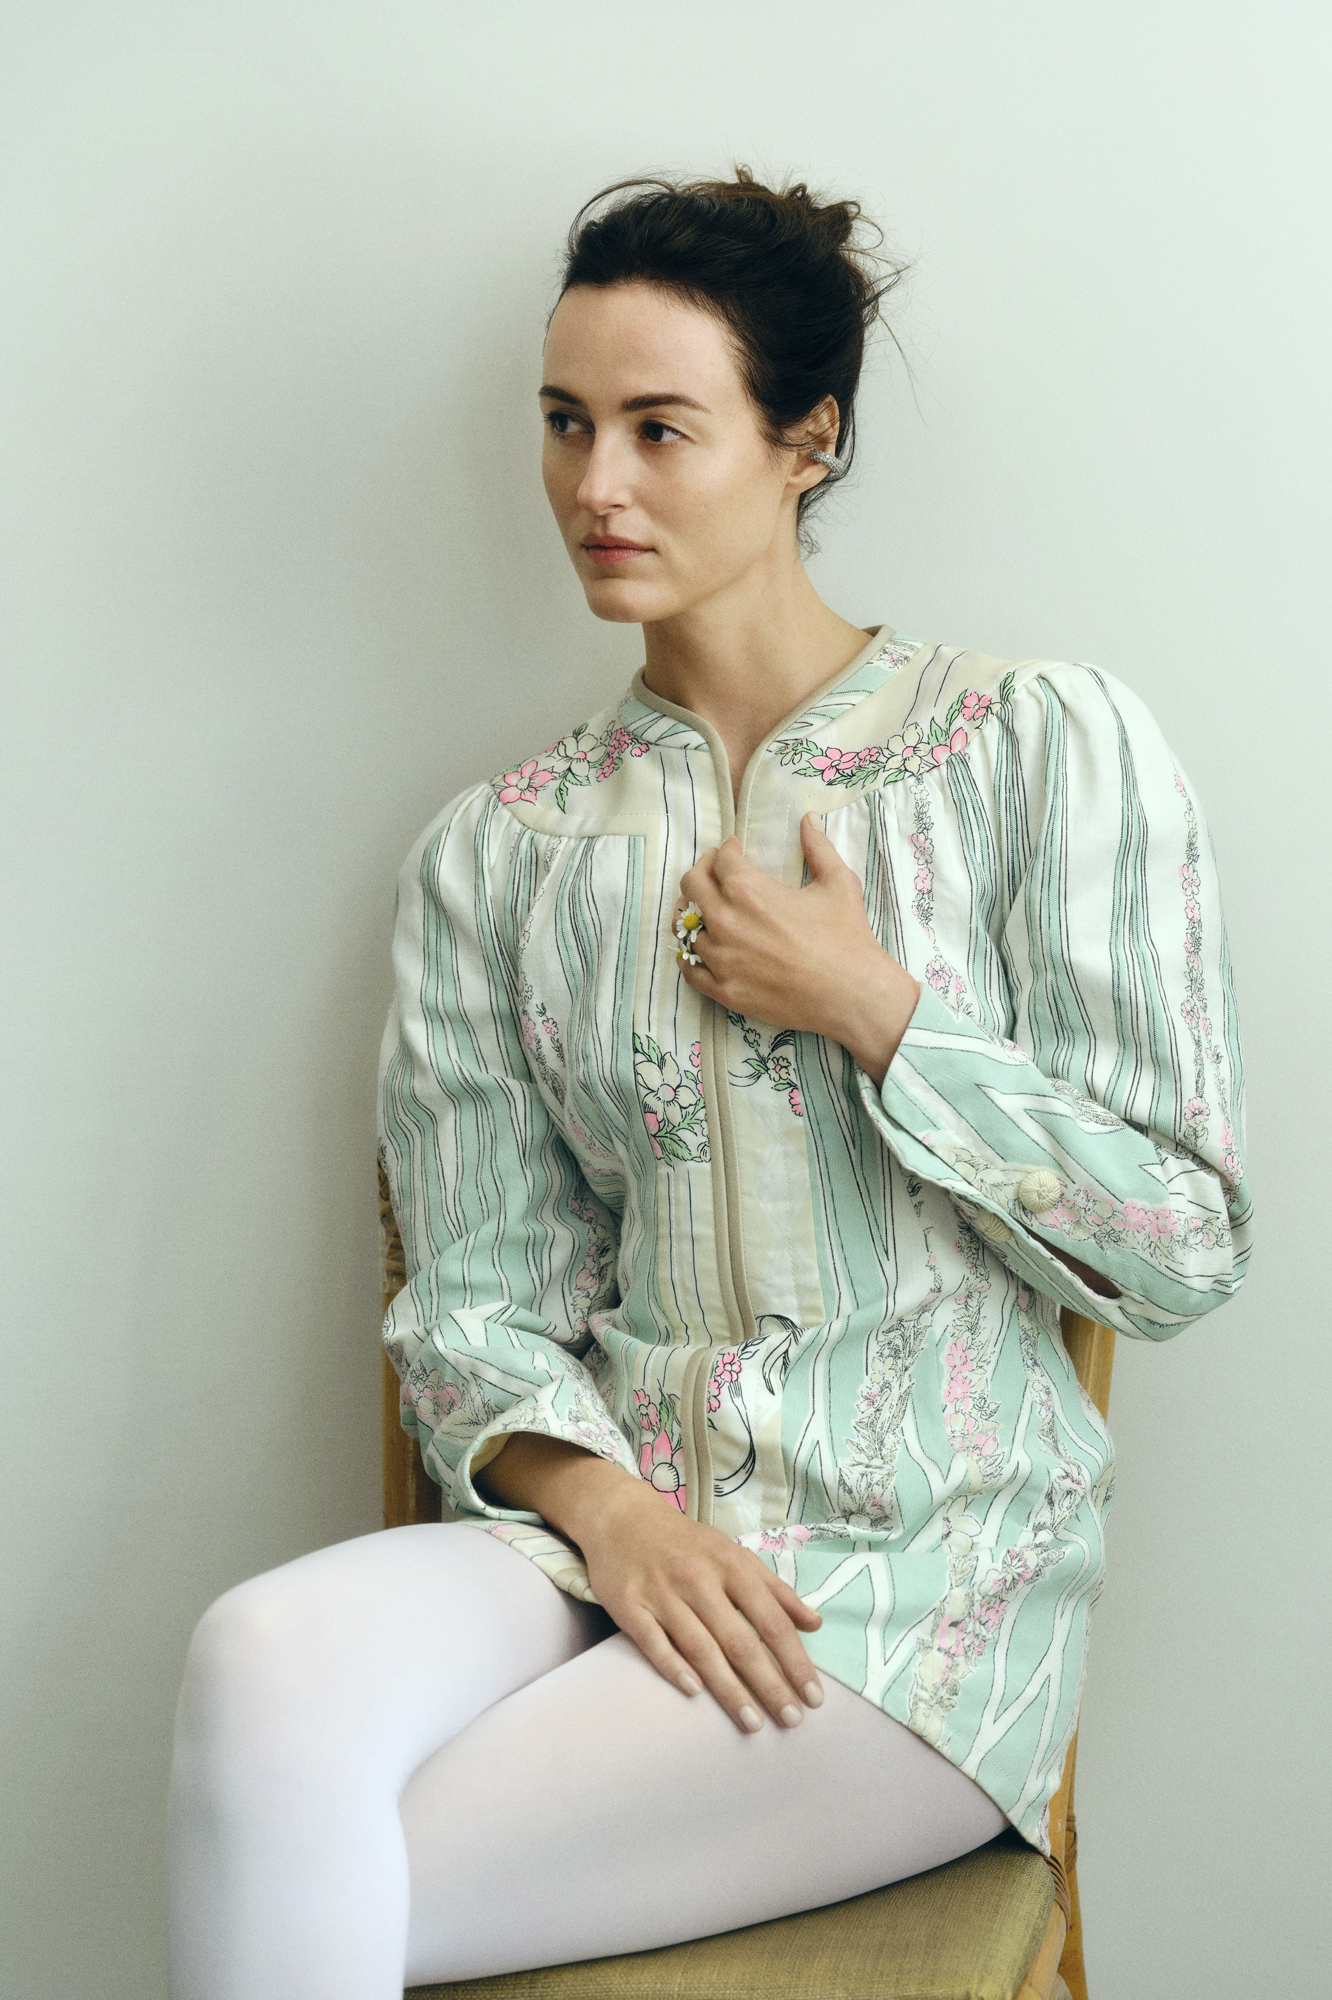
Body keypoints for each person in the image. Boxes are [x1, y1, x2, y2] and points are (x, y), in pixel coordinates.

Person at [166, 168, 1251, 1999]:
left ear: (803, 440)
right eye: (567, 425)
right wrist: (614, 1513)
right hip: (609, 1530)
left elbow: (1183, 1240)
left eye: (663, 429)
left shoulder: (1039, 747)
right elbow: (472, 1301)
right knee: (256, 1666)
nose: (596, 487)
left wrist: (879, 1011)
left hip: (907, 1587)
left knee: (311, 1879)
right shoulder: (495, 854)